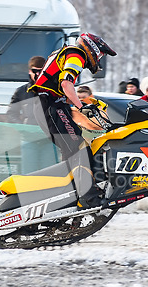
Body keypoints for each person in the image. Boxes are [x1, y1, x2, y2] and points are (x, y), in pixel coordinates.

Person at [29, 32, 117, 209]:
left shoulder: (68, 53)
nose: (99, 58)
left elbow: (60, 87)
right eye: (100, 53)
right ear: (91, 48)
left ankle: (73, 193)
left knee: (74, 147)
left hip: (51, 104)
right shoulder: (77, 55)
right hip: (50, 104)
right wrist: (81, 106)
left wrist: (85, 104)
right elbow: (65, 84)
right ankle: (87, 197)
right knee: (77, 148)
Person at [6, 56, 46, 124]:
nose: (38, 74)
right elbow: (11, 113)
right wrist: (23, 128)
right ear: (30, 71)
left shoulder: (55, 91)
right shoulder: (21, 91)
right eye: (35, 71)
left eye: (41, 71)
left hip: (49, 133)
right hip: (29, 132)